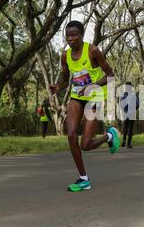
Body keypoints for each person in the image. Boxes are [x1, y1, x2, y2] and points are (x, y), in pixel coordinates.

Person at [50, 20, 120, 192]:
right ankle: (83, 179)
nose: (71, 39)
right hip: (77, 96)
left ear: (81, 36)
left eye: (74, 35)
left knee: (86, 145)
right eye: (68, 35)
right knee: (71, 135)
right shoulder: (65, 56)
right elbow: (66, 80)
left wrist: (92, 85)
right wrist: (58, 87)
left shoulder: (92, 51)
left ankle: (109, 137)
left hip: (94, 96)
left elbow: (110, 76)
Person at [120, 82, 139, 148]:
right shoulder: (134, 95)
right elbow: (137, 104)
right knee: (130, 128)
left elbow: (121, 104)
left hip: (126, 112)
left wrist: (125, 108)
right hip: (131, 112)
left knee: (125, 127)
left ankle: (124, 142)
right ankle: (128, 144)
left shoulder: (123, 95)